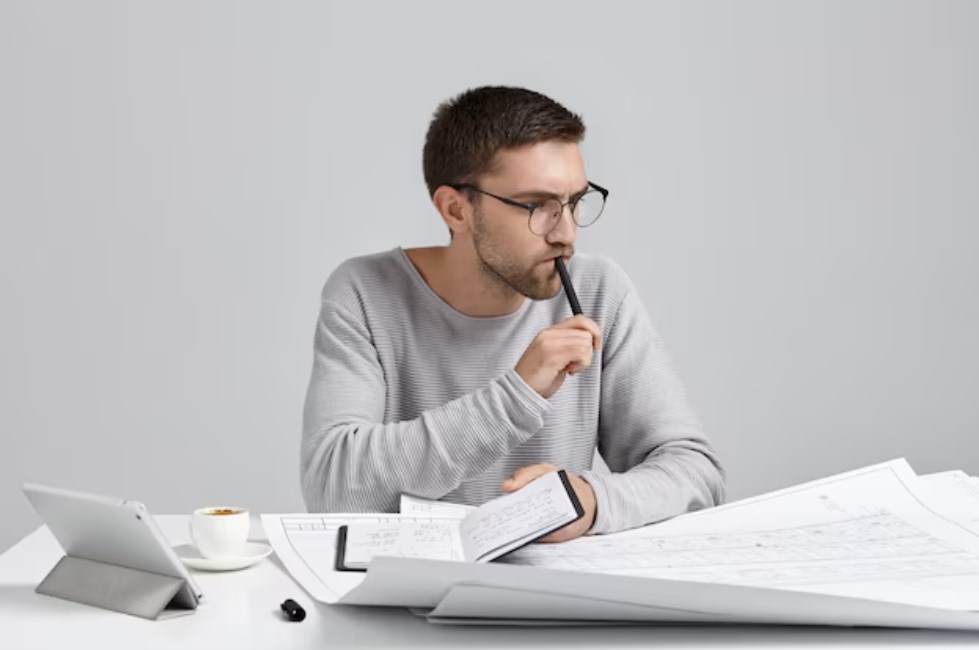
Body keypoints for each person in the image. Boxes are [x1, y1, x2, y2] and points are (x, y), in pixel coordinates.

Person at [301, 86, 725, 540]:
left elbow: (696, 472)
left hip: (550, 596)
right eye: (537, 207)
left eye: (575, 202)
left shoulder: (599, 291)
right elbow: (333, 488)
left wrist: (590, 501)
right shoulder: (365, 293)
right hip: (403, 598)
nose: (566, 233)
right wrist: (518, 393)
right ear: (456, 209)